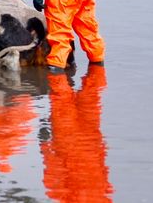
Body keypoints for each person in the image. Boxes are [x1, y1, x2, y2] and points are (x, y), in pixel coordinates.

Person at [42, 64, 113, 202]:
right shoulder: (101, 198)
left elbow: (54, 175)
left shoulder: (100, 197)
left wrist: (45, 146)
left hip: (78, 142)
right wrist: (45, 147)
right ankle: (96, 63)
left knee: (65, 96)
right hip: (86, 142)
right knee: (86, 94)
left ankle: (58, 66)